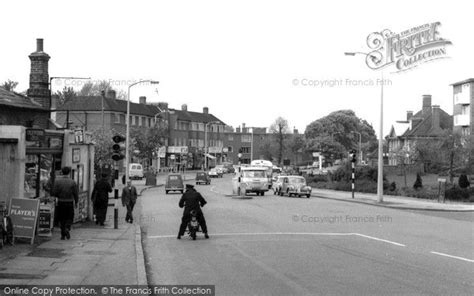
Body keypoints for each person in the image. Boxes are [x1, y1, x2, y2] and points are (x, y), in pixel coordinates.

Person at [52, 167, 78, 240]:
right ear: (69, 173)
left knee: (61, 218)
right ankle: (67, 227)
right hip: (69, 202)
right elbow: (75, 193)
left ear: (62, 172)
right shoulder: (72, 182)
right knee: (69, 217)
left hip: (60, 202)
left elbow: (54, 192)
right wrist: (76, 202)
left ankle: (63, 234)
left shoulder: (57, 181)